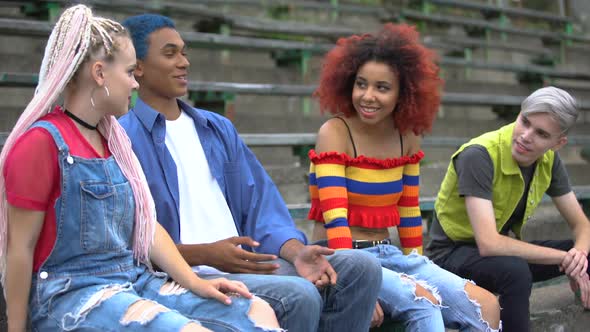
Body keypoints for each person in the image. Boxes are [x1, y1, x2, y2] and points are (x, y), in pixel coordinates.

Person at [0, 5, 281, 331]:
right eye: (131, 72)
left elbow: (147, 228)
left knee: (254, 310)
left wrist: (195, 283)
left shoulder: (115, 141)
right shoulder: (41, 143)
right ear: (100, 74)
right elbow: (19, 249)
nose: (135, 84)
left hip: (132, 280)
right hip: (70, 296)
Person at [118, 13, 383, 332]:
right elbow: (133, 241)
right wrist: (208, 255)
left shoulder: (216, 128)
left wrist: (297, 253)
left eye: (184, 51)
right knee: (299, 296)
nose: (184, 62)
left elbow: (261, 208)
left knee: (362, 268)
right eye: (169, 53)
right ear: (139, 67)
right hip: (189, 274)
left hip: (248, 263)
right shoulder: (123, 139)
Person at [308, 23, 501, 331]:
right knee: (425, 304)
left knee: (486, 305)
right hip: (341, 257)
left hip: (389, 253)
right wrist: (356, 285)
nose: (368, 96)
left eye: (382, 87)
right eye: (361, 84)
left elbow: (409, 214)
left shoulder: (407, 136)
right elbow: (335, 218)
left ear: (404, 93)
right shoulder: (334, 132)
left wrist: (419, 266)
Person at [427, 86, 590, 331]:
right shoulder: (479, 155)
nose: (526, 135)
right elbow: (489, 243)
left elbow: (581, 224)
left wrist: (578, 256)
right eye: (525, 121)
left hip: (496, 254)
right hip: (450, 253)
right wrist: (566, 259)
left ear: (558, 143)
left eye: (541, 134)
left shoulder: (549, 160)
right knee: (515, 271)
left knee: (586, 252)